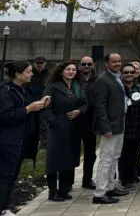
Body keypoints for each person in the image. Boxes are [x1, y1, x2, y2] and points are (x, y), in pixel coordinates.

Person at [0, 61, 49, 216]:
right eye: (28, 72)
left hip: (22, 140)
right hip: (8, 142)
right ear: (17, 74)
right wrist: (28, 108)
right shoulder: (6, 92)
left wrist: (40, 105)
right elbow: (6, 116)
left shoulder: (24, 89)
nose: (32, 74)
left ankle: (4, 206)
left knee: (11, 175)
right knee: (6, 176)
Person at [40, 61, 85, 202]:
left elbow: (85, 103)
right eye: (68, 69)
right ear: (61, 71)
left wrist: (79, 111)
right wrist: (55, 122)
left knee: (69, 157)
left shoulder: (78, 87)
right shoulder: (52, 88)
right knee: (54, 159)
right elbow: (44, 107)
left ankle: (64, 189)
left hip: (74, 126)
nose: (71, 72)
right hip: (58, 127)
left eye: (73, 70)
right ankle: (53, 191)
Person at [90, 53, 129, 204]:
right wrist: (105, 127)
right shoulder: (103, 80)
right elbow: (100, 106)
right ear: (107, 63)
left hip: (120, 124)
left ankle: (110, 186)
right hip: (110, 127)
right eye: (114, 61)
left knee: (114, 157)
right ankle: (99, 193)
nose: (117, 63)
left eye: (119, 61)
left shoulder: (117, 77)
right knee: (106, 159)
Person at [118, 63, 140, 189]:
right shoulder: (119, 88)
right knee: (124, 154)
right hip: (124, 126)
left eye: (131, 72)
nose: (129, 75)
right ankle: (124, 178)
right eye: (126, 72)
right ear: (121, 74)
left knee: (135, 152)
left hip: (138, 125)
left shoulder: (139, 87)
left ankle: (132, 174)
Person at [78, 56, 98, 189]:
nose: (86, 66)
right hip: (75, 118)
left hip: (91, 120)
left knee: (90, 152)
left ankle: (87, 179)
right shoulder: (74, 79)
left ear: (93, 65)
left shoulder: (97, 80)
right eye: (84, 64)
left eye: (89, 64)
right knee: (72, 150)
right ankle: (66, 181)